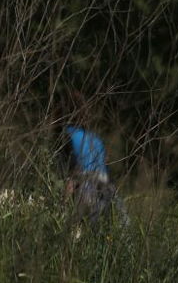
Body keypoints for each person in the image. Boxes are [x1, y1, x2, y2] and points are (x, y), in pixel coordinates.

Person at [53, 91, 127, 226]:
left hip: (84, 193)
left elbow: (70, 178)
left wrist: (60, 210)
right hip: (108, 194)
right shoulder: (96, 139)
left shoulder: (65, 136)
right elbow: (105, 168)